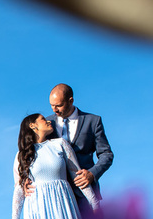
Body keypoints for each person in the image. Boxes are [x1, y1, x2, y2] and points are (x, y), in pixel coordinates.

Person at [45, 83, 113, 212]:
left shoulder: (93, 121)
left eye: (59, 105)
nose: (54, 110)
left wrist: (92, 173)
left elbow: (106, 154)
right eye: (52, 105)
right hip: (57, 196)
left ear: (70, 100)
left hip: (86, 195)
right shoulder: (46, 124)